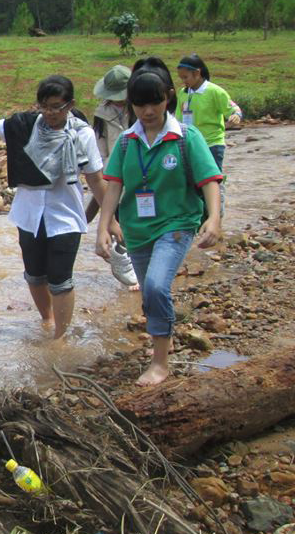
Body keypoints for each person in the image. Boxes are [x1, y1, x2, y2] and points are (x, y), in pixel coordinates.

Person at [0, 75, 120, 340]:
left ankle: (60, 336)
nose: (50, 113)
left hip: (64, 215)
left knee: (60, 279)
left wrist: (109, 220)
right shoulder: (25, 125)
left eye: (57, 106)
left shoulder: (82, 134)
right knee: (34, 275)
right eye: (44, 106)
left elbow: (95, 180)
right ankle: (47, 320)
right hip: (29, 214)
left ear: (70, 104)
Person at [97, 57, 222, 386]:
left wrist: (214, 219)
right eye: (139, 104)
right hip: (137, 230)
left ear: (167, 98)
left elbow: (210, 180)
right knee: (149, 294)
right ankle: (162, 344)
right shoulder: (126, 142)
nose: (147, 111)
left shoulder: (186, 138)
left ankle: (160, 364)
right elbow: (113, 187)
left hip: (177, 224)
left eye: (154, 102)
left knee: (154, 286)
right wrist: (103, 227)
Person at [88, 65, 139, 289]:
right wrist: (105, 174)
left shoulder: (141, 110)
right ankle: (127, 265)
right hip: (114, 174)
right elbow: (100, 149)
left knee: (139, 221)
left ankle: (137, 265)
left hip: (140, 172)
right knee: (121, 221)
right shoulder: (102, 113)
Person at [176, 54, 242, 217]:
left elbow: (234, 109)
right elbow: (177, 119)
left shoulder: (215, 91)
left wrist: (236, 116)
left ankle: (216, 217)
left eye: (186, 77)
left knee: (212, 180)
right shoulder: (183, 93)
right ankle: (199, 217)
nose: (184, 81)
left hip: (212, 144)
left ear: (197, 73)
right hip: (188, 144)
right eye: (181, 78)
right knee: (191, 182)